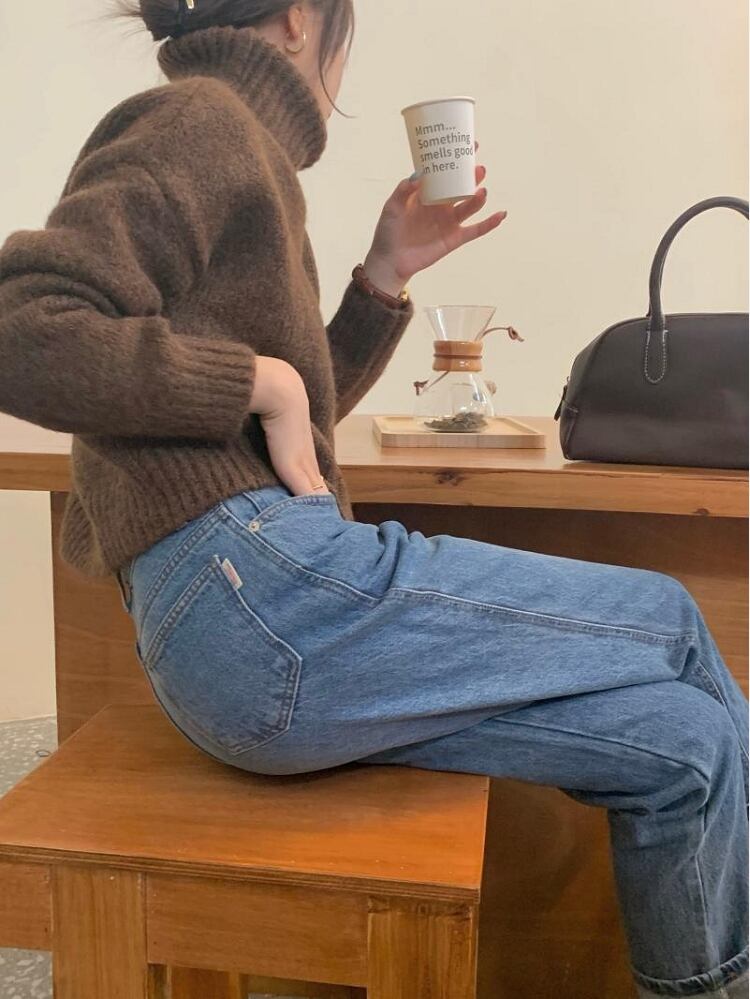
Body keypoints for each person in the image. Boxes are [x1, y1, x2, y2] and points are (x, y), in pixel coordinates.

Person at [0, 2, 746, 996]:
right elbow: (23, 329)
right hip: (256, 597)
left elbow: (288, 429)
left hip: (244, 630)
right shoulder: (199, 122)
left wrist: (381, 278)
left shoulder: (239, 147)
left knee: (686, 746)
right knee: (671, 616)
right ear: (303, 19)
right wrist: (259, 380)